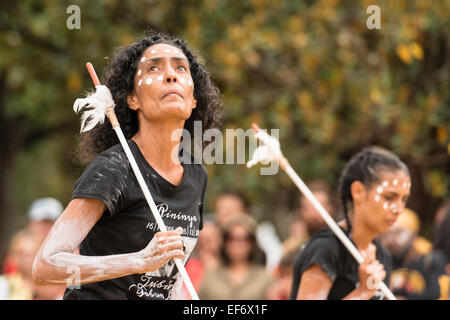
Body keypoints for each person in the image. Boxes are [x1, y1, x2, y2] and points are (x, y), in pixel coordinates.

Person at [32, 31, 222, 300]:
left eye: (181, 68)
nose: (171, 75)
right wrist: (140, 260)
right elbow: (45, 265)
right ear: (132, 98)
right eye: (154, 67)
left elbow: (170, 281)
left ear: (193, 100)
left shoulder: (196, 174)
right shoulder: (114, 168)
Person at [290, 146, 410, 300]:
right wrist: (363, 292)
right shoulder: (327, 248)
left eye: (404, 199)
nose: (398, 209)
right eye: (389, 197)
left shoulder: (382, 255)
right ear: (358, 191)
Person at [379, 208, 449, 300]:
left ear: (413, 233)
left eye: (398, 232)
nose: (391, 239)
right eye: (387, 234)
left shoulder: (431, 260)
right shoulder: (383, 261)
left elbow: (439, 294)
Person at [198, 215, 273, 299]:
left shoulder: (265, 278)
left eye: (245, 238)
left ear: (253, 243)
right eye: (232, 238)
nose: (238, 244)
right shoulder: (211, 275)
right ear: (224, 242)